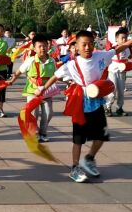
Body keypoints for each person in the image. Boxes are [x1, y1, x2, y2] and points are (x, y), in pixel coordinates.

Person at [36, 30, 132, 182]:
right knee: (78, 139)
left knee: (101, 136)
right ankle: (75, 168)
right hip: (80, 102)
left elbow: (118, 49)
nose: (88, 47)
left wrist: (129, 42)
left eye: (91, 44)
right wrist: (43, 89)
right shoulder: (71, 64)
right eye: (84, 44)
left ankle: (89, 159)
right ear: (77, 46)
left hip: (96, 101)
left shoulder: (102, 56)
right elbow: (56, 76)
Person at [8, 35, 56, 142]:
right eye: (39, 46)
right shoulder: (30, 61)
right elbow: (19, 72)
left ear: (48, 47)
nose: (42, 48)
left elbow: (56, 75)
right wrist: (11, 81)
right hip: (32, 92)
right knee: (34, 113)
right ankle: (35, 132)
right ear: (34, 48)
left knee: (48, 113)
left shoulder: (52, 61)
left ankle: (43, 133)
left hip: (46, 92)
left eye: (44, 46)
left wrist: (69, 81)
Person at [105, 28, 130, 117]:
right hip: (113, 71)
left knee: (121, 91)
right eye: (122, 38)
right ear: (116, 39)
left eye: (126, 38)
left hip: (122, 72)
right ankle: (108, 107)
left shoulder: (127, 49)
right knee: (112, 90)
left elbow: (128, 58)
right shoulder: (114, 48)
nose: (124, 40)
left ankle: (119, 108)